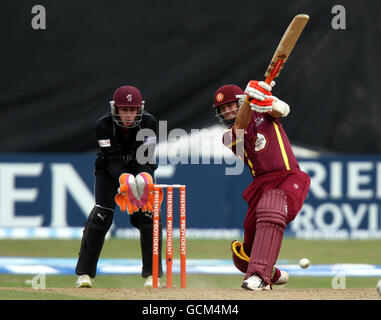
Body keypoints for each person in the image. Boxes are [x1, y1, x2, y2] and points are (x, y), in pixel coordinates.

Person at [212, 81, 310, 290]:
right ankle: (272, 274)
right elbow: (240, 126)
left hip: (289, 177)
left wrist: (267, 100)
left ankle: (259, 276)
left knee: (272, 204)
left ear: (240, 102)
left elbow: (283, 109)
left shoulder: (265, 114)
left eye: (231, 105)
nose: (227, 111)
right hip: (260, 185)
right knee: (243, 255)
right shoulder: (228, 136)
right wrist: (249, 99)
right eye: (223, 109)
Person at [75, 85, 163, 288]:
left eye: (132, 110)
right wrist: (124, 178)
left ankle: (153, 275)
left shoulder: (149, 122)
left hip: (140, 169)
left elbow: (146, 156)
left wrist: (144, 177)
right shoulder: (103, 125)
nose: (128, 115)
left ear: (139, 109)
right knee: (101, 215)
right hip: (108, 171)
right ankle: (85, 274)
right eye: (124, 110)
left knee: (148, 214)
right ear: (116, 109)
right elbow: (112, 159)